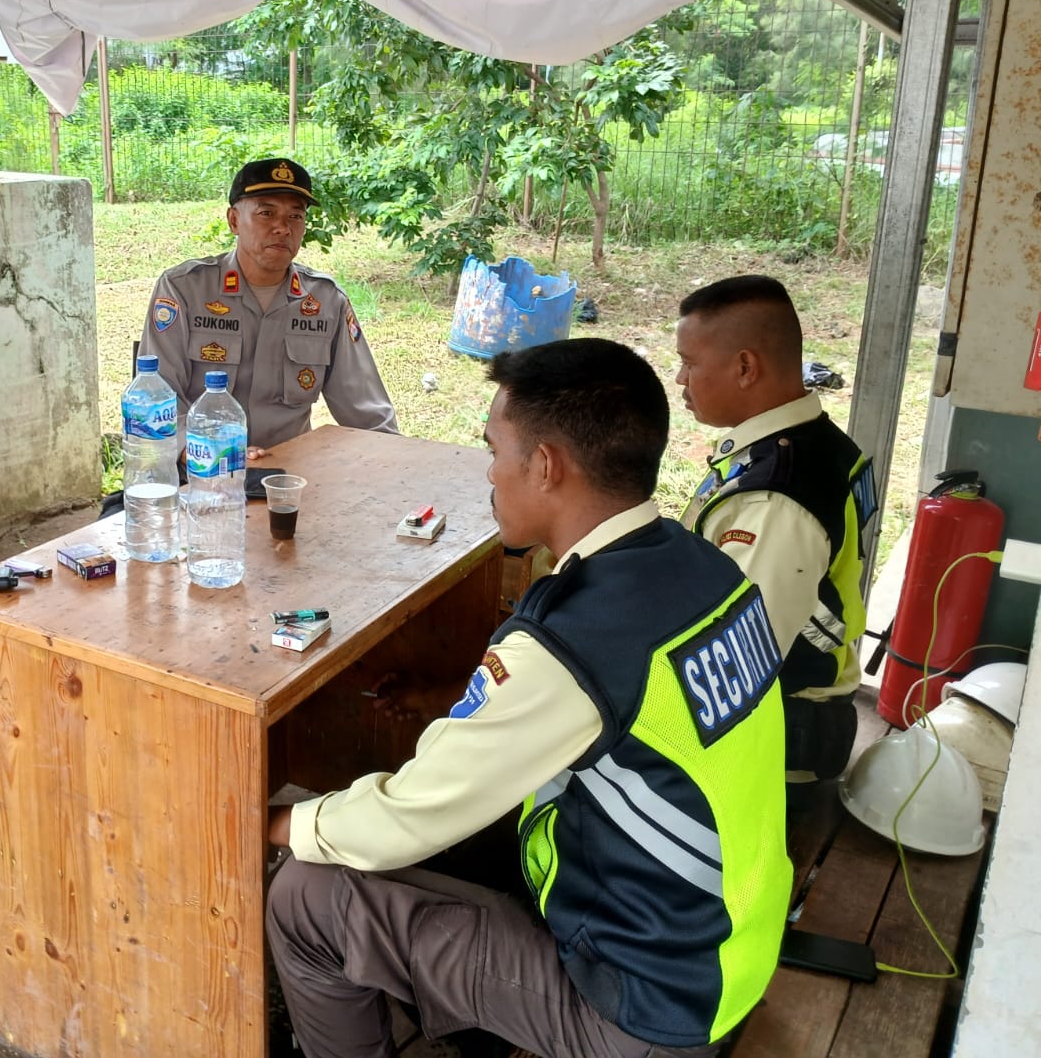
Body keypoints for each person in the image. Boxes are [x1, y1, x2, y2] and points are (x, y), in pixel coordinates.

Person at [266, 338, 790, 1058]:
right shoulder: (704, 567)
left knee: (306, 894)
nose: (489, 472)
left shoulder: (573, 637)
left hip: (645, 1010)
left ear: (545, 465)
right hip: (728, 951)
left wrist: (277, 823)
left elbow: (401, 821)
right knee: (455, 829)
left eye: (494, 450)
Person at [674, 275, 875, 790]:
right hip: (783, 718)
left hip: (771, 751)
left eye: (690, 363)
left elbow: (731, 673)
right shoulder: (818, 443)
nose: (680, 379)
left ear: (745, 367)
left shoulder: (774, 500)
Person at [136, 157, 398, 452]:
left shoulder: (326, 301)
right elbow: (156, 396)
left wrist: (395, 461)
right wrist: (202, 452)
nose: (283, 228)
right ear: (234, 220)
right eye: (266, 213)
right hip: (203, 466)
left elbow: (367, 412)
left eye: (295, 216)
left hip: (290, 471)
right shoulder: (185, 289)